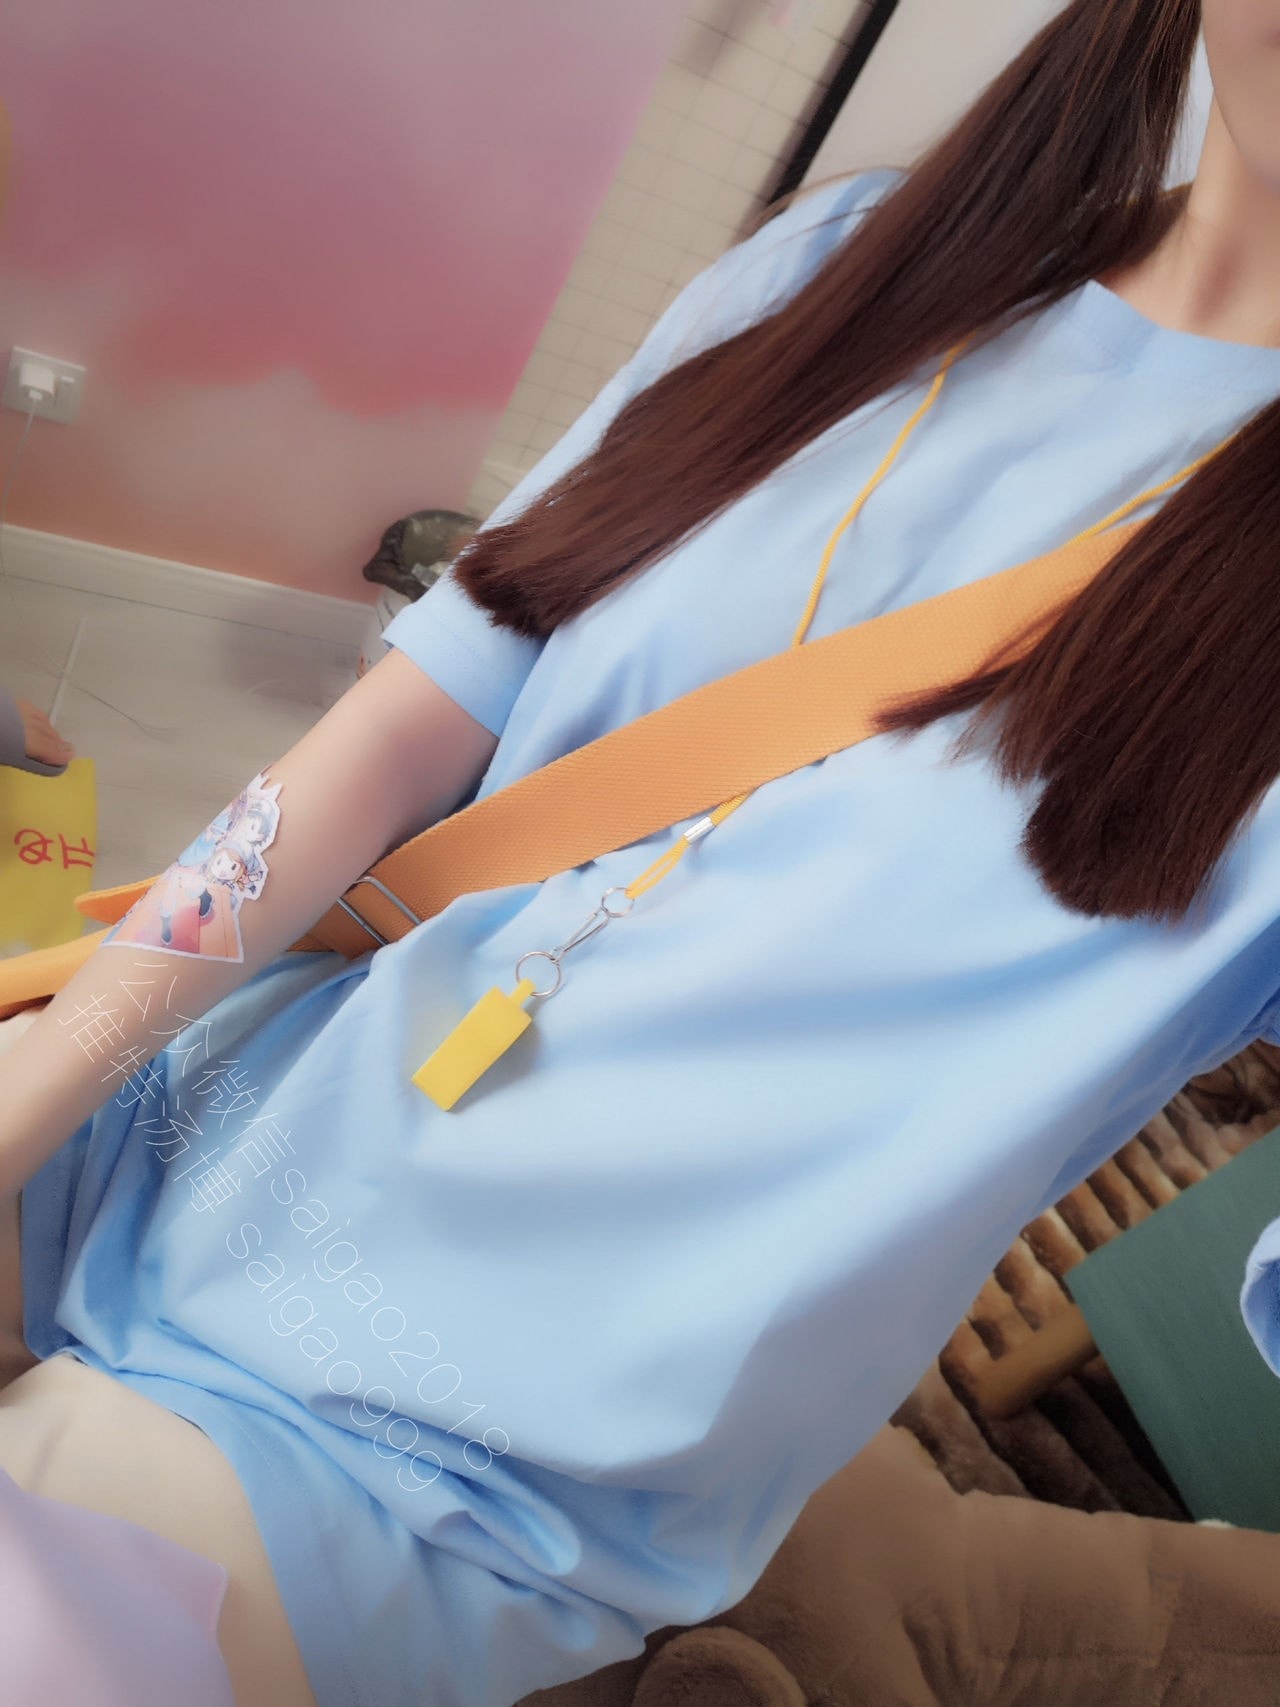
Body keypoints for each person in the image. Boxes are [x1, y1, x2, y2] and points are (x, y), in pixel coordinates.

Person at [3, 1, 1280, 1702]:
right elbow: (394, 739)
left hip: (423, 1452)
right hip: (199, 1115)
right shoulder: (853, 265)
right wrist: (36, 1101)